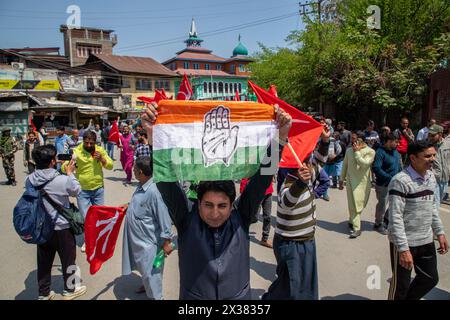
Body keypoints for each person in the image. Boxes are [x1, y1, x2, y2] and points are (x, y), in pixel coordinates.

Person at [142, 102, 292, 300]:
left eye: (222, 206)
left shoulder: (241, 216)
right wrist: (155, 136)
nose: (214, 213)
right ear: (198, 203)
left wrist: (280, 138)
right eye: (208, 205)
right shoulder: (186, 219)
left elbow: (262, 178)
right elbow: (166, 182)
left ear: (232, 205)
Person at [387, 141, 448, 300]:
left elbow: (432, 208)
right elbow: (395, 218)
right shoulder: (400, 181)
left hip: (426, 240)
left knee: (430, 279)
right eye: (428, 156)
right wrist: (403, 249)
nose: (433, 159)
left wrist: (440, 232)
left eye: (434, 155)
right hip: (405, 243)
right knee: (401, 286)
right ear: (413, 158)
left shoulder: (431, 177)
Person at [28, 145, 87, 300]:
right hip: (62, 227)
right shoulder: (61, 180)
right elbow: (76, 190)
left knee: (44, 262)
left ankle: (44, 292)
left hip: (41, 227)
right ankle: (70, 289)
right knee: (69, 259)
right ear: (53, 161)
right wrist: (70, 173)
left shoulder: (30, 179)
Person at [262, 157, 321, 300]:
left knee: (306, 284)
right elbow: (287, 201)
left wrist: (325, 142)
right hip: (290, 244)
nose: (312, 167)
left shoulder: (310, 175)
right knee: (290, 287)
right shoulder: (288, 183)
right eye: (309, 163)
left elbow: (322, 161)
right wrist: (300, 182)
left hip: (307, 241)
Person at [121, 156, 174, 300]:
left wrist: (167, 242)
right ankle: (146, 285)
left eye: (135, 169)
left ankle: (157, 296)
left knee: (152, 275)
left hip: (149, 244)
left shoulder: (154, 192)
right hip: (138, 242)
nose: (133, 170)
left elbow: (164, 218)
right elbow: (142, 203)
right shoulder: (141, 185)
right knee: (144, 270)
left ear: (141, 172)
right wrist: (129, 205)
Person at [62, 131, 113, 252]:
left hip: (98, 189)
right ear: (83, 141)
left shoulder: (99, 150)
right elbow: (65, 168)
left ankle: (98, 239)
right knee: (87, 218)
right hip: (83, 191)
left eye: (92, 143)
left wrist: (102, 159)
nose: (89, 145)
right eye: (87, 142)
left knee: (99, 216)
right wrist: (69, 164)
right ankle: (89, 240)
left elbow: (110, 165)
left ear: (96, 142)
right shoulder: (77, 151)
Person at [339, 131, 376, 238]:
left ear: (361, 140)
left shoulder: (371, 151)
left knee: (359, 204)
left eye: (355, 139)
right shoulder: (349, 151)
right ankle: (357, 228)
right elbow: (345, 165)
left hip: (363, 184)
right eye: (352, 139)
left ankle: (351, 220)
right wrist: (341, 179)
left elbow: (364, 164)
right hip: (350, 182)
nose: (352, 142)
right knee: (354, 205)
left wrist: (357, 152)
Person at [372, 133, 402, 234]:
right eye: (396, 142)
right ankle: (378, 224)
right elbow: (376, 168)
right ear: (389, 141)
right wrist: (389, 177)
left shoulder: (396, 152)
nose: (398, 144)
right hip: (383, 185)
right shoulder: (380, 152)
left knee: (395, 203)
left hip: (396, 184)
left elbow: (399, 166)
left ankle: (386, 220)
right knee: (382, 204)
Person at [240, 178, 274, 248]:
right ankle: (241, 234)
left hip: (268, 192)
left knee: (267, 216)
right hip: (257, 193)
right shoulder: (253, 167)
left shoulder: (268, 167)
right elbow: (246, 176)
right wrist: (243, 191)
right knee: (254, 217)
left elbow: (271, 174)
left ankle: (264, 239)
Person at [428, 124, 450, 203]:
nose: (430, 137)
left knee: (437, 202)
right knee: (435, 205)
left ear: (440, 134)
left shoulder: (448, 144)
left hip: (445, 180)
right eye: (429, 135)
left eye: (433, 135)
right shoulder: (428, 146)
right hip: (433, 179)